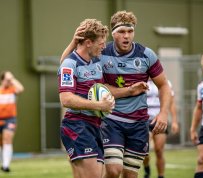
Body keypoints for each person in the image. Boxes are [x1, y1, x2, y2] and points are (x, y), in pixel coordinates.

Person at [60, 10, 172, 178]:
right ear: (113, 34)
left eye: (130, 31)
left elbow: (164, 85)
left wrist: (164, 113)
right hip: (109, 122)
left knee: (129, 174)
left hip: (137, 123)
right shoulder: (101, 54)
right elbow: (68, 64)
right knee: (112, 170)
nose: (126, 36)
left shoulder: (146, 55)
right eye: (121, 32)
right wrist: (129, 91)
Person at [58, 19, 115, 178]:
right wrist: (99, 106)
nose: (104, 47)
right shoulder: (69, 65)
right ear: (88, 42)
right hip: (77, 126)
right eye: (101, 43)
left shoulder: (96, 62)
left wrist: (130, 90)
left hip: (95, 126)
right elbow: (66, 99)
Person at [143, 79, 179, 178]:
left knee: (159, 150)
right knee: (144, 150)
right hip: (144, 121)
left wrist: (175, 121)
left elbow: (171, 103)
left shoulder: (165, 82)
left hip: (160, 120)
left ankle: (161, 176)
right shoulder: (141, 80)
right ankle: (146, 167)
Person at [0, 71, 24, 172]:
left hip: (10, 119)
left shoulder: (13, 89)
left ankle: (6, 165)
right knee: (1, 142)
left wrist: (12, 79)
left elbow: (21, 89)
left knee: (7, 139)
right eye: (7, 80)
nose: (9, 82)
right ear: (2, 80)